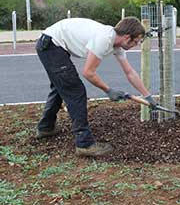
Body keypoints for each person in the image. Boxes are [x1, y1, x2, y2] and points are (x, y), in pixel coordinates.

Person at [35, 17, 158, 156]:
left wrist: (148, 96)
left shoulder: (117, 45)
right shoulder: (104, 39)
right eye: (136, 42)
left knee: (62, 86)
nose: (136, 45)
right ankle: (85, 144)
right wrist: (108, 90)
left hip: (53, 44)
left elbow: (130, 72)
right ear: (127, 37)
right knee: (75, 91)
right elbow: (88, 72)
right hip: (51, 45)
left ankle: (46, 127)